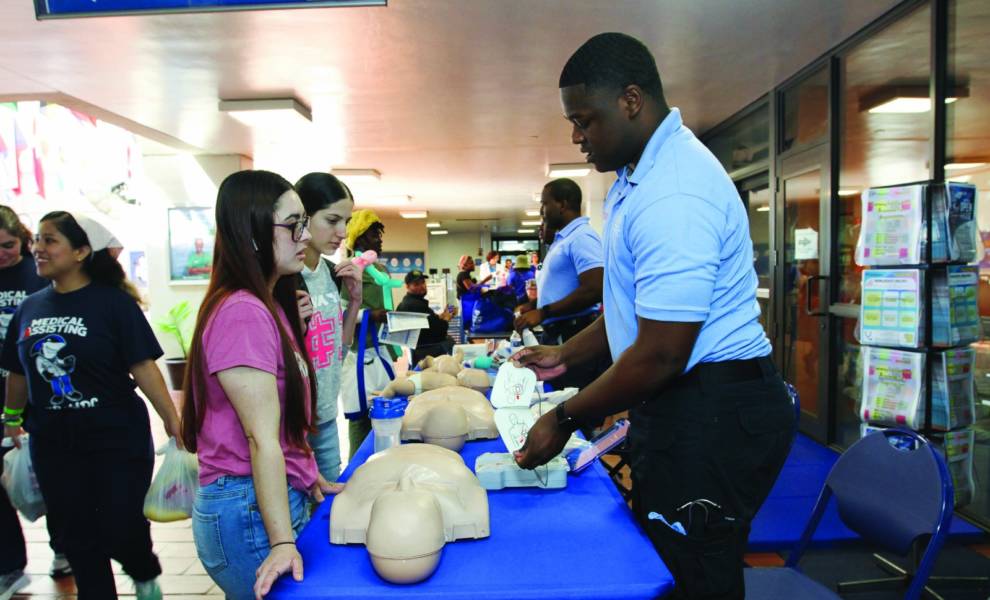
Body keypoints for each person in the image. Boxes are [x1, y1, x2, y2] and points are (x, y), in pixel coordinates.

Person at [514, 33, 794, 600]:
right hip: (687, 400)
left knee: (697, 573)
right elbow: (634, 312)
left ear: (632, 101)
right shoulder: (636, 178)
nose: (576, 136)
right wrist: (567, 354)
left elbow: (662, 351)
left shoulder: (673, 191)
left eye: (584, 120)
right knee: (668, 553)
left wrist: (565, 418)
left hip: (714, 409)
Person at [2, 211, 182, 600]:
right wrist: (11, 419)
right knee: (76, 535)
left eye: (50, 241)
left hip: (116, 439)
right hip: (54, 443)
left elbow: (143, 364)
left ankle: (143, 570)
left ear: (82, 251)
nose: (38, 248)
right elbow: (18, 371)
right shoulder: (30, 308)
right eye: (38, 240)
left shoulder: (114, 304)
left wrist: (172, 419)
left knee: (121, 525)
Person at [181, 170, 341, 600]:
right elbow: (259, 438)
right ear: (251, 232)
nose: (305, 237)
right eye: (294, 225)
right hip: (246, 506)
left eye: (305, 223)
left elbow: (282, 427)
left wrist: (308, 475)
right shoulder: (242, 313)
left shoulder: (268, 305)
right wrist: (282, 542)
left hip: (260, 498)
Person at [0, 207, 71, 599]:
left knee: (50, 475)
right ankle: (9, 566)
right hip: (6, 394)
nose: (2, 254)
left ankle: (63, 547)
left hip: (41, 393)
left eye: (8, 245)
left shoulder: (38, 276)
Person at [293, 172, 364, 483]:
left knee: (327, 511)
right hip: (293, 425)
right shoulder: (285, 278)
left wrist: (354, 301)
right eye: (332, 220)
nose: (342, 232)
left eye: (346, 222)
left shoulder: (330, 273)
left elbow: (338, 350)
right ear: (302, 217)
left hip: (325, 418)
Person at [515, 178, 603, 346]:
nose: (542, 211)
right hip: (559, 331)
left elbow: (594, 288)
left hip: (574, 332)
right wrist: (535, 305)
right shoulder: (563, 239)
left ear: (562, 204)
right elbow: (563, 287)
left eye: (545, 204)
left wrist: (543, 312)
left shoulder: (582, 237)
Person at [340, 209, 396, 457]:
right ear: (360, 239)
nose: (379, 240)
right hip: (358, 354)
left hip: (382, 348)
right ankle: (356, 468)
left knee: (387, 415)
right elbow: (341, 313)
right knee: (360, 419)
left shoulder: (380, 270)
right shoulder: (350, 270)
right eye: (374, 235)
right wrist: (369, 315)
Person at [396, 269, 456, 364]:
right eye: (416, 284)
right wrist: (446, 319)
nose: (422, 286)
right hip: (428, 353)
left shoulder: (406, 303)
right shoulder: (416, 305)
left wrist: (440, 317)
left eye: (423, 282)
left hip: (418, 351)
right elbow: (439, 331)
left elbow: (428, 325)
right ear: (407, 286)